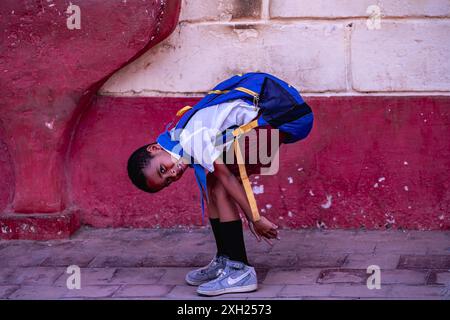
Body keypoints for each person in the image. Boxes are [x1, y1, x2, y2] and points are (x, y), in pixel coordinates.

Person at [127, 72, 313, 296]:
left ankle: (240, 269)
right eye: (168, 181)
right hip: (278, 115)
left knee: (221, 182)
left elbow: (228, 177)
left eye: (163, 169)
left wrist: (255, 219)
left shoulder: (189, 138)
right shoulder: (179, 136)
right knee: (212, 181)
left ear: (155, 149)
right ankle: (226, 258)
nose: (173, 174)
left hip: (283, 116)